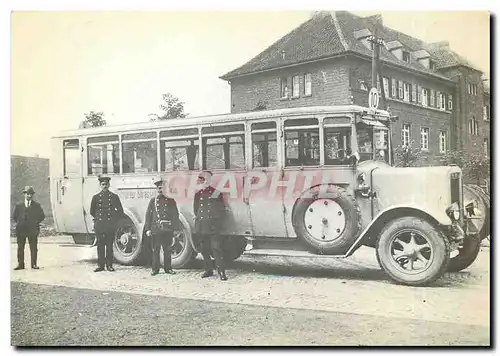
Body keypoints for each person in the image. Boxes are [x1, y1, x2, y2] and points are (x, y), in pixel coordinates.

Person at [193, 171, 228, 281]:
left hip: (212, 227)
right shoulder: (198, 194)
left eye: (204, 179)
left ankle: (221, 271)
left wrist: (215, 222)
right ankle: (208, 270)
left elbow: (221, 210)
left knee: (216, 248)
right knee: (204, 249)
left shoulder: (216, 193)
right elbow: (196, 210)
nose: (203, 182)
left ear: (209, 180)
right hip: (202, 226)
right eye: (201, 180)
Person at [143, 177, 179, 276]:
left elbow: (175, 215)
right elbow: (148, 216)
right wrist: (148, 229)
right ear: (156, 189)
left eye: (162, 188)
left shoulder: (171, 200)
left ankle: (168, 268)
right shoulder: (153, 201)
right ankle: (155, 269)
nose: (160, 190)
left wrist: (175, 229)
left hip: (167, 229)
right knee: (156, 250)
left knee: (167, 250)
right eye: (159, 188)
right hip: (156, 229)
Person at [89, 176, 124, 272]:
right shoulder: (95, 197)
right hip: (99, 224)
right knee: (100, 245)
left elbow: (120, 211)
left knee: (109, 246)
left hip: (110, 224)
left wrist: (113, 220)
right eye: (103, 184)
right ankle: (100, 266)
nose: (104, 186)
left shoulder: (114, 197)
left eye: (106, 184)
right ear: (100, 185)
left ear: (109, 185)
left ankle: (109, 265)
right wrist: (97, 220)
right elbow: (92, 211)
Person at [12, 186, 45, 270]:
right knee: (20, 247)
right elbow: (15, 216)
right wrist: (20, 223)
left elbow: (42, 216)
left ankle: (33, 264)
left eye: (31, 194)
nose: (29, 196)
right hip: (21, 230)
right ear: (24, 194)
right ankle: (20, 264)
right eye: (28, 194)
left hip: (32, 230)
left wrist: (35, 222)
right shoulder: (19, 205)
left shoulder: (36, 206)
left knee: (33, 247)